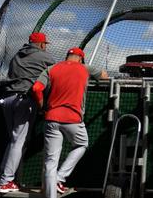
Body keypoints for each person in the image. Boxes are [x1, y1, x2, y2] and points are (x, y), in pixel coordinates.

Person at [31, 47, 107, 198]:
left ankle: (51, 193)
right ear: (80, 58)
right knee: (82, 144)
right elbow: (104, 76)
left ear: (67, 56)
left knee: (51, 161)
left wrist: (42, 107)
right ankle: (60, 178)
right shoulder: (85, 68)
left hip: (52, 117)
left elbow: (36, 88)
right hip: (73, 119)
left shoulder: (51, 68)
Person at [0, 32, 57, 194]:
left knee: (13, 140)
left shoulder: (17, 55)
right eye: (45, 44)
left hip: (7, 99)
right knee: (18, 141)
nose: (45, 47)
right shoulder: (44, 57)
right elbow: (56, 74)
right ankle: (6, 181)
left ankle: (1, 177)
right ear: (42, 44)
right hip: (24, 99)